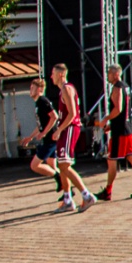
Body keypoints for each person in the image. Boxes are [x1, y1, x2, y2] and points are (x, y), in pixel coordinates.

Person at [96, 66, 132, 202]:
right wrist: (111, 125)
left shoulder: (117, 88)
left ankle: (108, 191)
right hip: (126, 127)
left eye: (109, 73)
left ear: (115, 74)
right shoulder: (126, 86)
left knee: (112, 160)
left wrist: (106, 119)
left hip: (120, 132)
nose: (107, 76)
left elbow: (118, 109)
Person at [46, 63, 94, 211]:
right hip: (66, 129)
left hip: (69, 129)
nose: (51, 77)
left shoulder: (66, 88)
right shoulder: (63, 90)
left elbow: (72, 113)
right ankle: (67, 199)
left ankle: (87, 195)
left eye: (53, 73)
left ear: (60, 74)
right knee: (62, 165)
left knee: (65, 165)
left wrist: (59, 130)